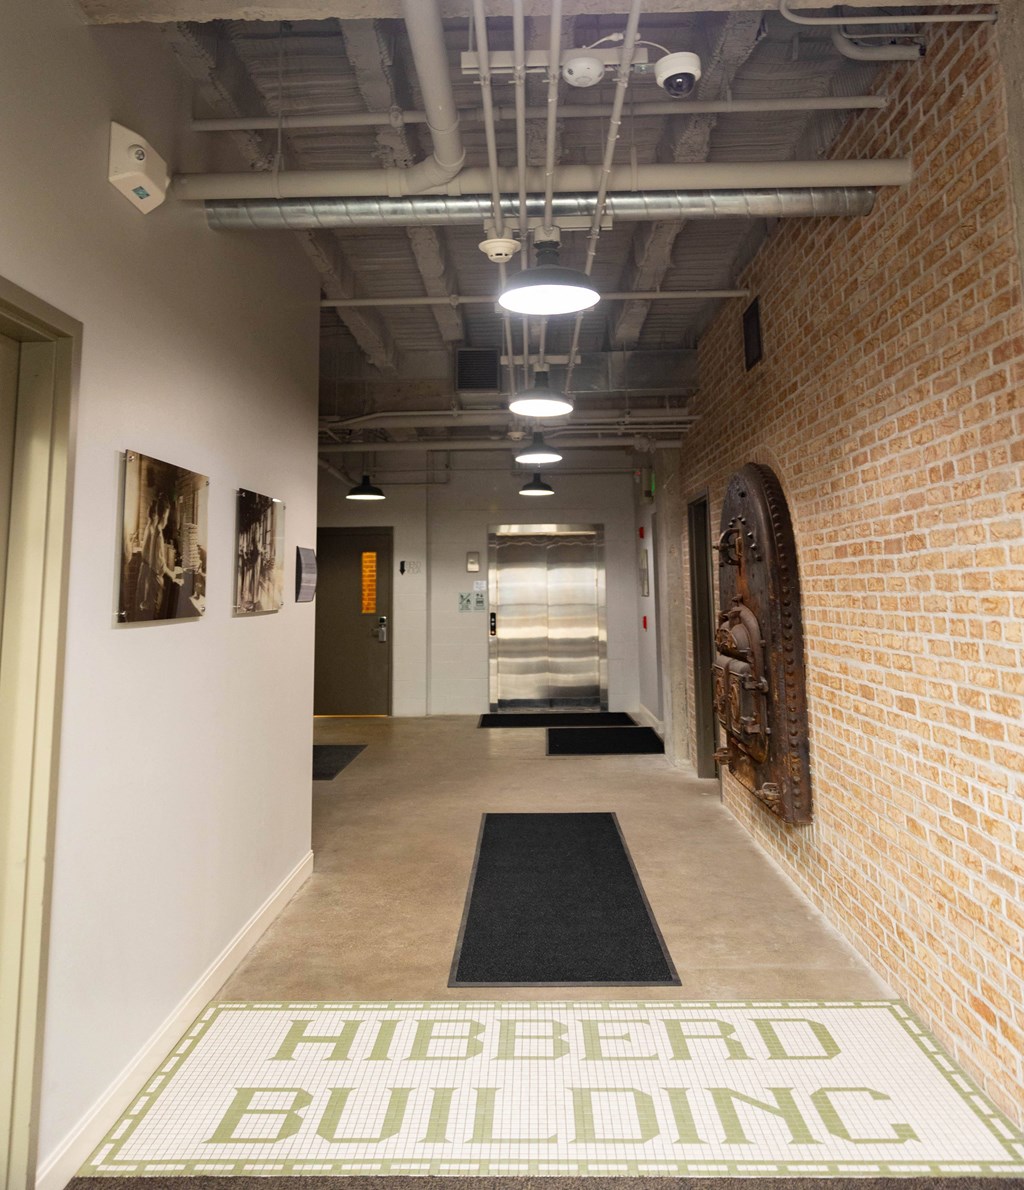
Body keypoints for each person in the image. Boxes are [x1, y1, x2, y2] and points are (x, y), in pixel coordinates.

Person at [137, 494, 183, 618]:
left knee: (144, 612)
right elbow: (158, 565)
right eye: (166, 517)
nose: (166, 521)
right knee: (153, 613)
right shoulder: (157, 533)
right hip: (152, 577)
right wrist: (172, 574)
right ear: (162, 516)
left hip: (146, 573)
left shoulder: (150, 527)